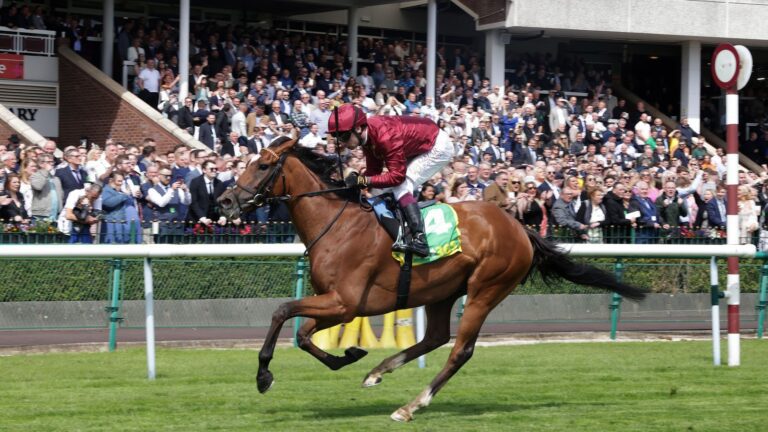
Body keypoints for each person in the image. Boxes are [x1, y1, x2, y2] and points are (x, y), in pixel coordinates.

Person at [327, 104, 454, 257]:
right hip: (418, 144)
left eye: (344, 136)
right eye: (337, 137)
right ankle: (393, 233)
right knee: (375, 191)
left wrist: (361, 180)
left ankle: (420, 240)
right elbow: (374, 171)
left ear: (358, 128)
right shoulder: (367, 136)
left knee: (402, 184)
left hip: (437, 146)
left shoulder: (384, 136)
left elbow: (396, 177)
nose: (342, 142)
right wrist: (358, 185)